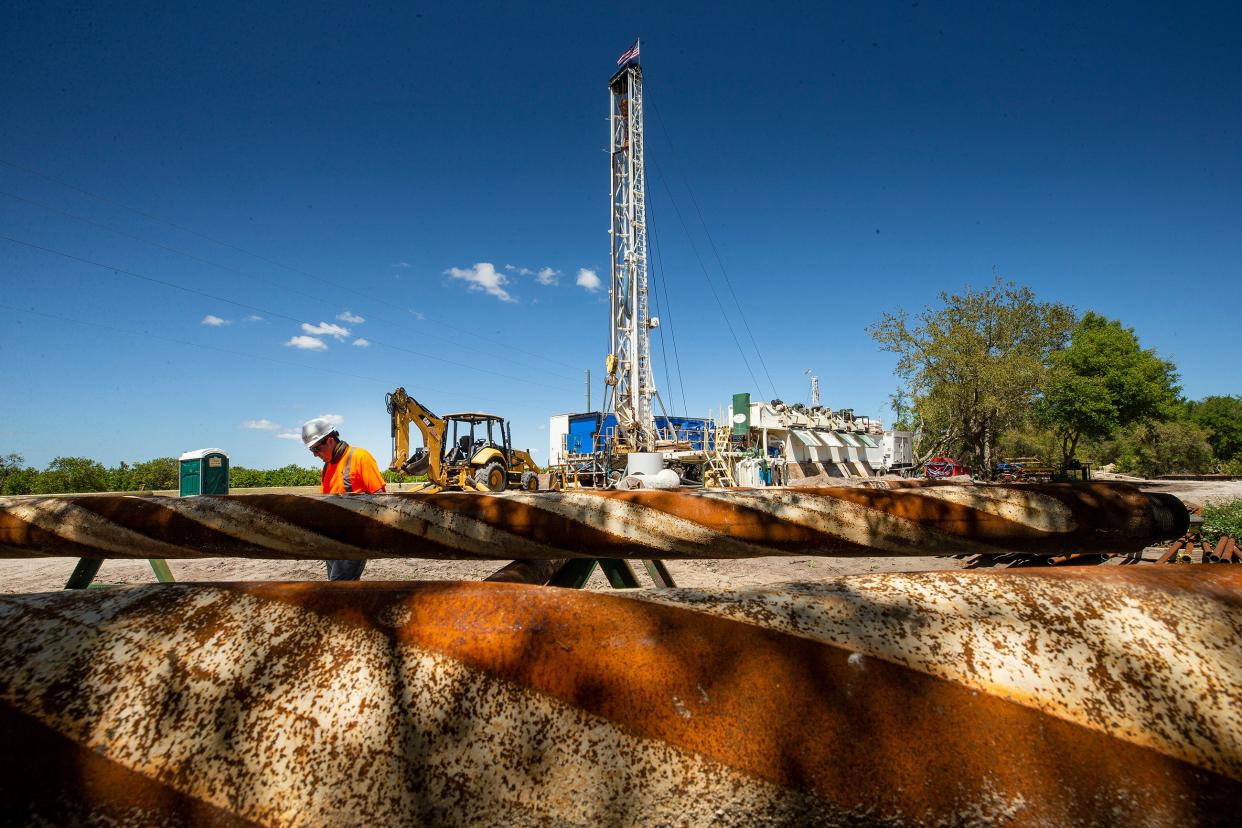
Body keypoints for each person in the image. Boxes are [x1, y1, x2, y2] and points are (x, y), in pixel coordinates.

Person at [301, 417, 387, 581]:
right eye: (311, 451)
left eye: (317, 449)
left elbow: (382, 498)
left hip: (354, 538)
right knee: (341, 590)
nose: (315, 455)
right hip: (332, 538)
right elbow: (326, 504)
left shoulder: (360, 457)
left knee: (338, 585)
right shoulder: (326, 469)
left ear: (330, 441)